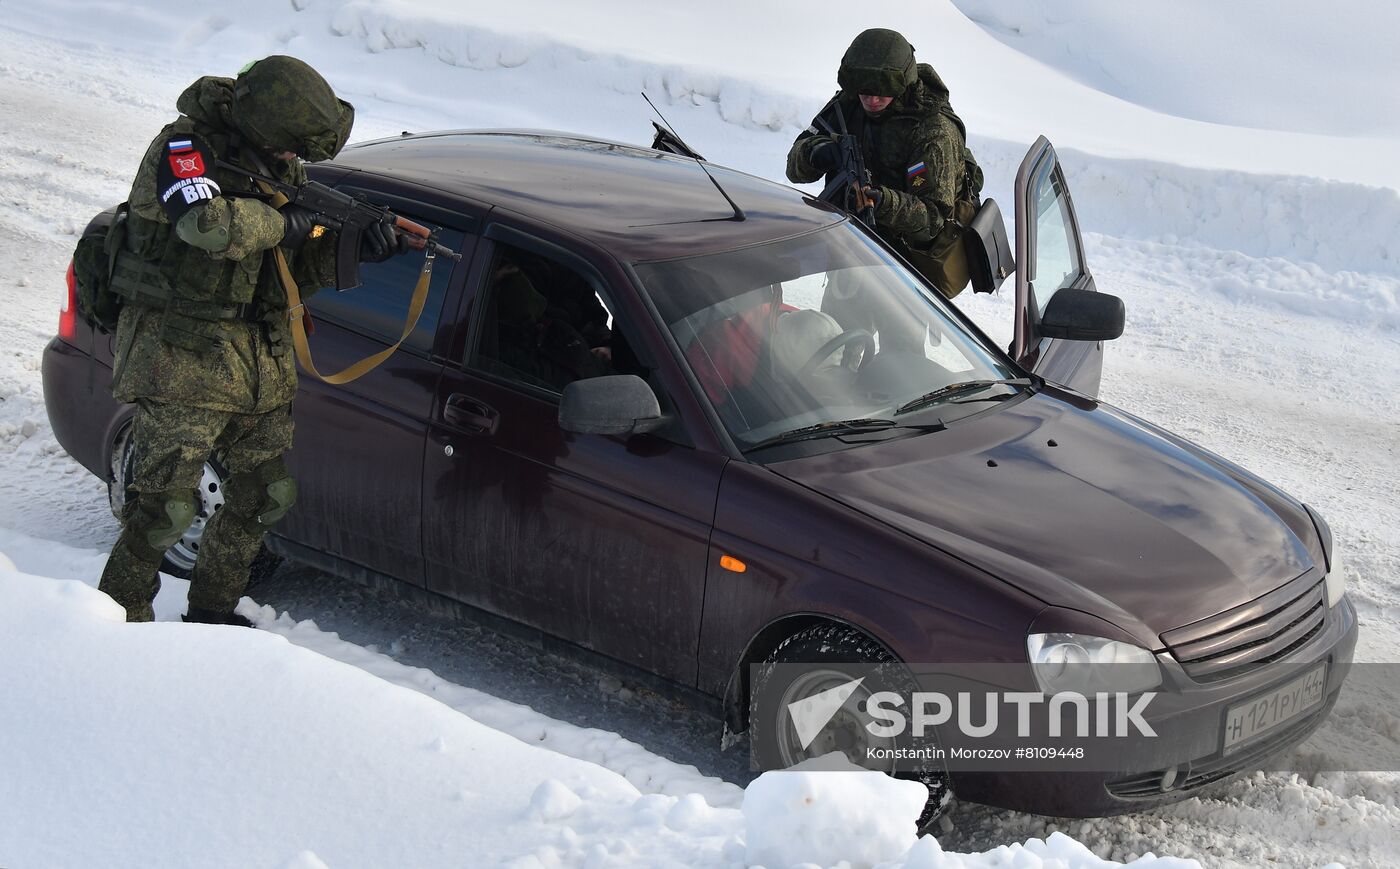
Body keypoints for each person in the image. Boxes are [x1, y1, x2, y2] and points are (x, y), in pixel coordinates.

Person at [98, 56, 406, 625]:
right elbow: (205, 224)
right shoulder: (184, 149)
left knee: (265, 495)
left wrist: (352, 250)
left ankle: (213, 611)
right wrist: (282, 224)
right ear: (263, 125)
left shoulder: (279, 168)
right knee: (164, 507)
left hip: (255, 355)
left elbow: (285, 276)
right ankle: (115, 622)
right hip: (179, 350)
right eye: (289, 146)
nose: (294, 159)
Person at [786, 28, 977, 300]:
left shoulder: (933, 131)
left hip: (906, 268)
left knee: (901, 343)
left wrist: (883, 201)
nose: (871, 101)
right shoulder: (848, 103)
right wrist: (816, 153)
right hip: (851, 252)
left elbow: (933, 219)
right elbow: (793, 166)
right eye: (864, 92)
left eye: (880, 93)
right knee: (836, 336)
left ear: (901, 85)